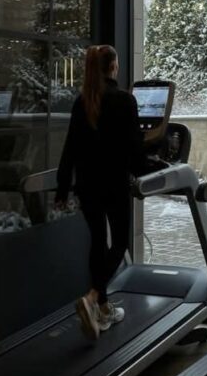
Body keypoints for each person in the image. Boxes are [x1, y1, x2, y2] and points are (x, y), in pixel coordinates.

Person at [55, 45, 148, 340]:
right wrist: (148, 170)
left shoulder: (82, 101)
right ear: (113, 67)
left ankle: (103, 308)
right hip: (114, 184)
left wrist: (61, 188)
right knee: (119, 242)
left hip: (87, 185)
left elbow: (69, 150)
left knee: (97, 241)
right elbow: (134, 148)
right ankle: (93, 296)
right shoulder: (124, 101)